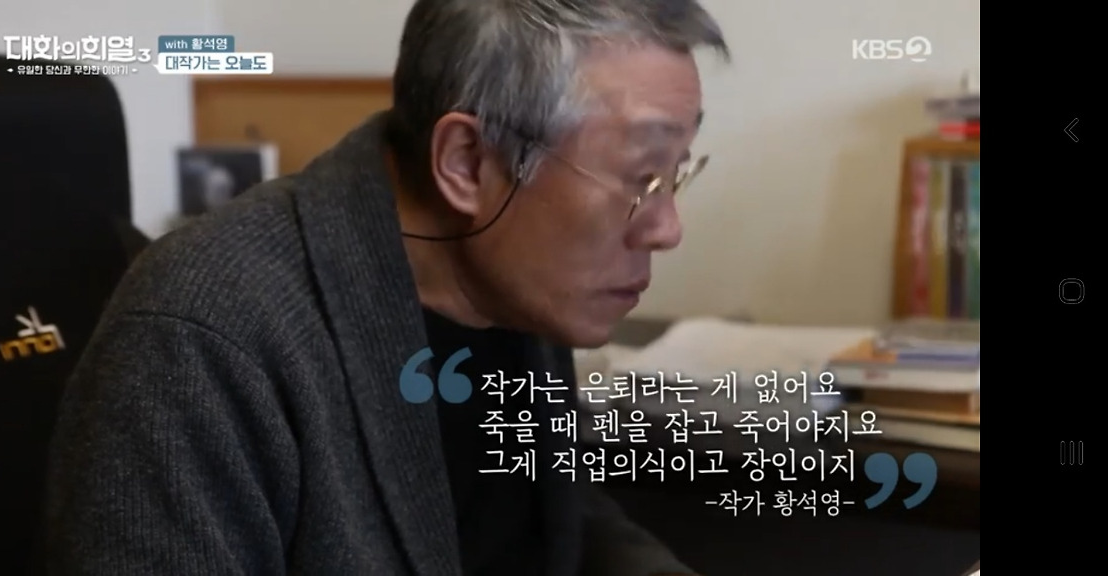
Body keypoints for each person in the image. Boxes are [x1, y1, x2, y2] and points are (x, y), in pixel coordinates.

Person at [44, 0, 728, 574]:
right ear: (467, 163)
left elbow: (555, 513)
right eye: (639, 175)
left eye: (676, 172)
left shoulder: (517, 282)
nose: (667, 227)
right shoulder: (203, 335)